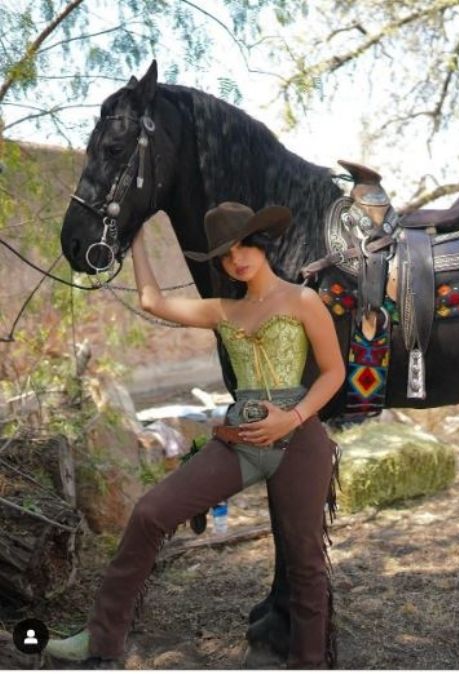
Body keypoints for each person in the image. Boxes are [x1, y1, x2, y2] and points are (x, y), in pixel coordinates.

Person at [45, 202, 346, 668]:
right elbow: (153, 302)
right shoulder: (223, 309)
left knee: (304, 562)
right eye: (227, 255)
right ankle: (100, 639)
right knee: (149, 513)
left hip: (300, 441)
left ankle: (309, 664)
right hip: (241, 437)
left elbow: (334, 372)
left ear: (262, 245)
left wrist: (294, 417)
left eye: (246, 245)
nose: (238, 259)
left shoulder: (303, 300)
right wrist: (137, 237)